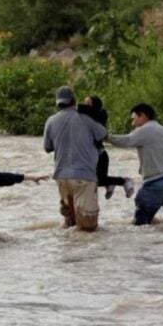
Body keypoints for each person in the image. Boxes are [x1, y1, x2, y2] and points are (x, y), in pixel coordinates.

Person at [43, 86, 108, 231]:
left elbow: (47, 147)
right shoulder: (86, 119)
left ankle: (70, 254)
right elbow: (103, 134)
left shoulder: (51, 121)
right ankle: (88, 255)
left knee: (70, 225)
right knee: (88, 229)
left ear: (57, 103)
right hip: (83, 178)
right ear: (74, 100)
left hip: (61, 178)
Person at [107, 103, 163, 225]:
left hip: (156, 183)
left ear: (142, 116)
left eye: (134, 119)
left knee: (140, 224)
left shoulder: (144, 130)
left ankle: (145, 245)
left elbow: (125, 141)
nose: (133, 124)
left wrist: (105, 136)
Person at [77, 95, 134, 199]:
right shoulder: (87, 117)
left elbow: (82, 109)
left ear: (95, 105)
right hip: (92, 156)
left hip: (100, 155)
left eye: (88, 103)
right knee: (90, 181)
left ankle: (124, 181)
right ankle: (110, 183)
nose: (84, 105)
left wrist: (78, 107)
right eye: (84, 103)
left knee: (96, 180)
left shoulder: (99, 115)